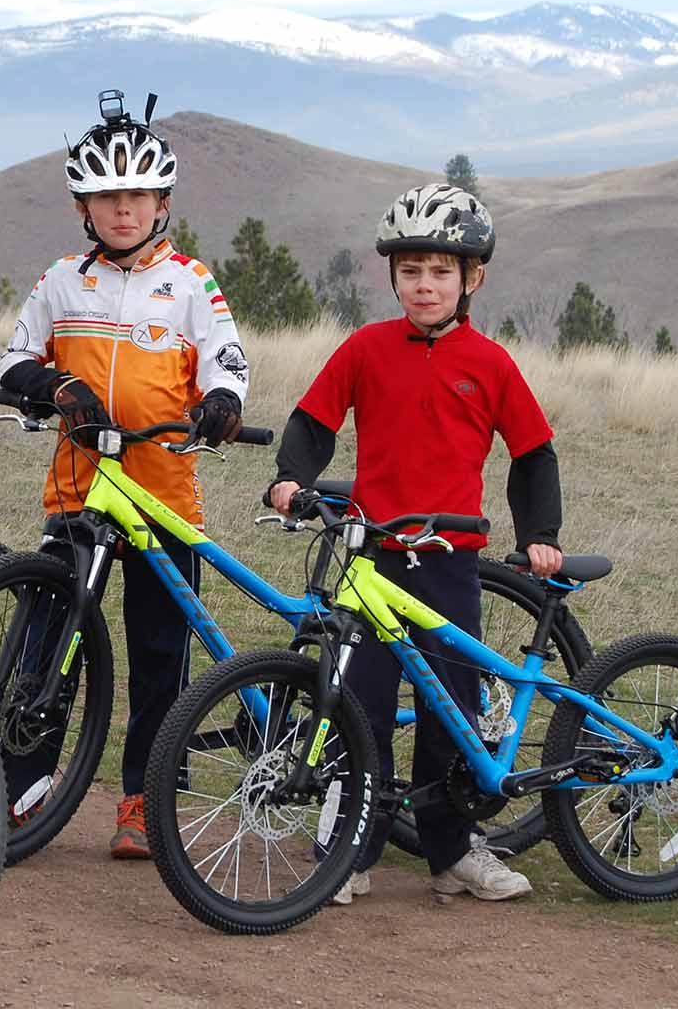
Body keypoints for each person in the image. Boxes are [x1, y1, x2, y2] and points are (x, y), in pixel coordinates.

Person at [263, 183, 565, 904]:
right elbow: (312, 421)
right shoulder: (366, 349)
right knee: (359, 704)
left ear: (471, 280)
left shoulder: (490, 364)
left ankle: (454, 853)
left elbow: (534, 454)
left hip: (450, 563)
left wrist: (542, 537)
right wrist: (288, 479)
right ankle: (351, 854)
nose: (423, 285)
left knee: (449, 710)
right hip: (374, 557)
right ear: (392, 276)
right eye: (410, 271)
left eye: (439, 272)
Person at [0, 90, 249, 859]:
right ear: (85, 208)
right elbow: (12, 358)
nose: (123, 210)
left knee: (159, 660)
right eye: (107, 198)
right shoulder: (63, 281)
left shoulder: (192, 283)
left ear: (161, 202)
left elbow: (229, 363)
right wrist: (50, 387)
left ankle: (143, 802)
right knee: (48, 647)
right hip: (79, 495)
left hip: (165, 498)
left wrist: (222, 404)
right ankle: (21, 787)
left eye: (135, 196)